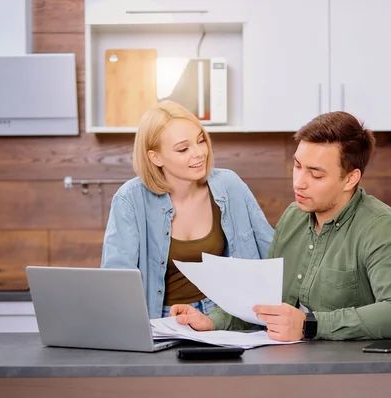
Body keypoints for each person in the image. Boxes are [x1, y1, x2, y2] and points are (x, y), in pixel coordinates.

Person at [170, 111, 391, 341]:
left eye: (316, 174)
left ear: (350, 178)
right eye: (297, 166)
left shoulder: (383, 229)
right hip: (289, 365)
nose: (299, 183)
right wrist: (212, 320)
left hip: (351, 375)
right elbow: (263, 298)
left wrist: (310, 325)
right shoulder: (294, 216)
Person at [101, 100, 274, 319]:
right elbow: (117, 279)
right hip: (162, 319)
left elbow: (270, 250)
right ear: (156, 157)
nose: (199, 153)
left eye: (200, 141)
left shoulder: (230, 186)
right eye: (183, 149)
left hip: (223, 316)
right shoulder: (130, 200)